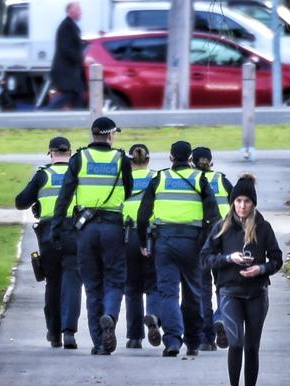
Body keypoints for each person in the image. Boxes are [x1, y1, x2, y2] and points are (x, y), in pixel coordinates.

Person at [200, 173, 283, 386]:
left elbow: (277, 258)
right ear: (232, 203)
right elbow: (205, 259)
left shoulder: (263, 227)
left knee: (252, 347)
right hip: (230, 292)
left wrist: (261, 268)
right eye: (238, 201)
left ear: (253, 203)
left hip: (257, 293)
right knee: (235, 343)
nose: (242, 206)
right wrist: (229, 258)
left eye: (247, 201)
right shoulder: (221, 227)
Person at [51, 117, 133, 355]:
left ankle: (98, 342)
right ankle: (110, 315)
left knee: (92, 284)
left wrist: (57, 229)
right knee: (115, 280)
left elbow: (64, 197)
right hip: (113, 228)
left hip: (85, 230)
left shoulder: (79, 158)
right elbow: (127, 190)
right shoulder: (121, 160)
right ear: (110, 136)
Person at [137, 140, 221, 357]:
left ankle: (173, 341)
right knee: (193, 293)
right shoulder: (200, 179)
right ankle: (193, 341)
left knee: (168, 293)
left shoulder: (160, 178)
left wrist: (142, 242)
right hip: (193, 243)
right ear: (190, 159)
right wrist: (208, 242)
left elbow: (143, 213)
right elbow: (214, 216)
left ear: (171, 158)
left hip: (164, 241)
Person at [15, 137, 82, 349]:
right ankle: (69, 331)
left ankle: (54, 334)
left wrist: (38, 202)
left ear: (51, 154)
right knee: (72, 282)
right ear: (70, 153)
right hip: (74, 232)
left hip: (49, 234)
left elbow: (20, 202)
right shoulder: (79, 174)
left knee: (53, 283)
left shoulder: (43, 174)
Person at [190, 146, 233, 352]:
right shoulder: (221, 180)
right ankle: (222, 318)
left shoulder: (190, 181)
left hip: (199, 241)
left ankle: (205, 338)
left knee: (201, 289)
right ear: (212, 162)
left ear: (192, 162)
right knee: (223, 285)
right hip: (223, 239)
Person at [122, 144, 161, 349]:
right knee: (154, 284)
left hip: (129, 236)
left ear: (130, 161)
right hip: (152, 236)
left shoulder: (123, 180)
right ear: (148, 160)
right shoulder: (158, 178)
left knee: (132, 288)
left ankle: (134, 337)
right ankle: (153, 317)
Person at [46, 2, 84, 110]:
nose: (81, 12)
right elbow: (67, 49)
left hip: (68, 71)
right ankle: (45, 114)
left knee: (77, 94)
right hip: (65, 71)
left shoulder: (70, 26)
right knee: (71, 93)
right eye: (78, 9)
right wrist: (83, 58)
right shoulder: (67, 27)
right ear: (71, 11)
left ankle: (78, 120)